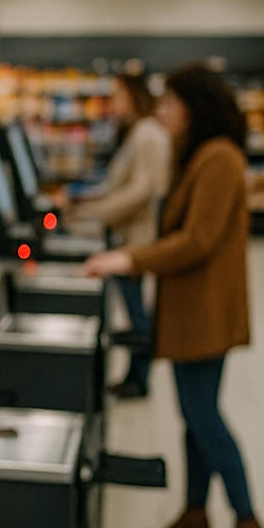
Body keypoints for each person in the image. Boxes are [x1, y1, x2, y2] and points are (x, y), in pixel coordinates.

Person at [84, 63, 264, 528]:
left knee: (203, 414)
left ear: (194, 108)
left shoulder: (220, 159)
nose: (162, 112)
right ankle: (194, 514)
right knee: (192, 415)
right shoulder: (198, 155)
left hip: (206, 310)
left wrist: (131, 257)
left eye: (170, 104)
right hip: (192, 307)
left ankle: (247, 518)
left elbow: (198, 239)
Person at [71, 73, 171, 399]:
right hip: (128, 233)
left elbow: (141, 190)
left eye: (118, 95)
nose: (113, 103)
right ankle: (135, 374)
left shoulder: (147, 135)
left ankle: (139, 378)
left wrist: (97, 212)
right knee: (132, 307)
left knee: (135, 310)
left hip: (136, 238)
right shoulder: (137, 133)